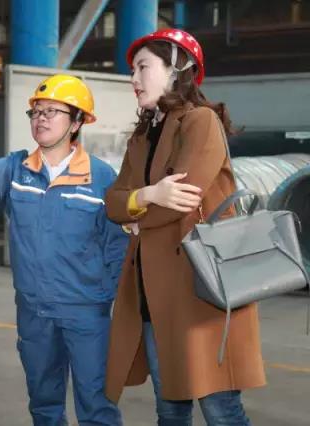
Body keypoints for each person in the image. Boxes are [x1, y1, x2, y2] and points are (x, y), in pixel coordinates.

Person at [0, 74, 128, 426]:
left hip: (85, 312)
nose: (41, 119)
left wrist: (105, 298)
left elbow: (116, 246)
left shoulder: (101, 177)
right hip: (34, 310)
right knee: (44, 403)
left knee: (97, 404)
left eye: (52, 111)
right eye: (36, 112)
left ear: (77, 121)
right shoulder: (18, 169)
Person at [103, 29, 265, 425]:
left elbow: (182, 198)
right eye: (132, 70)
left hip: (201, 292)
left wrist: (137, 213)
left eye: (143, 67)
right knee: (169, 410)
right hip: (153, 295)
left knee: (219, 410)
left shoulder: (200, 122)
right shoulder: (141, 137)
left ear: (178, 69)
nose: (134, 78)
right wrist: (148, 195)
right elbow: (112, 204)